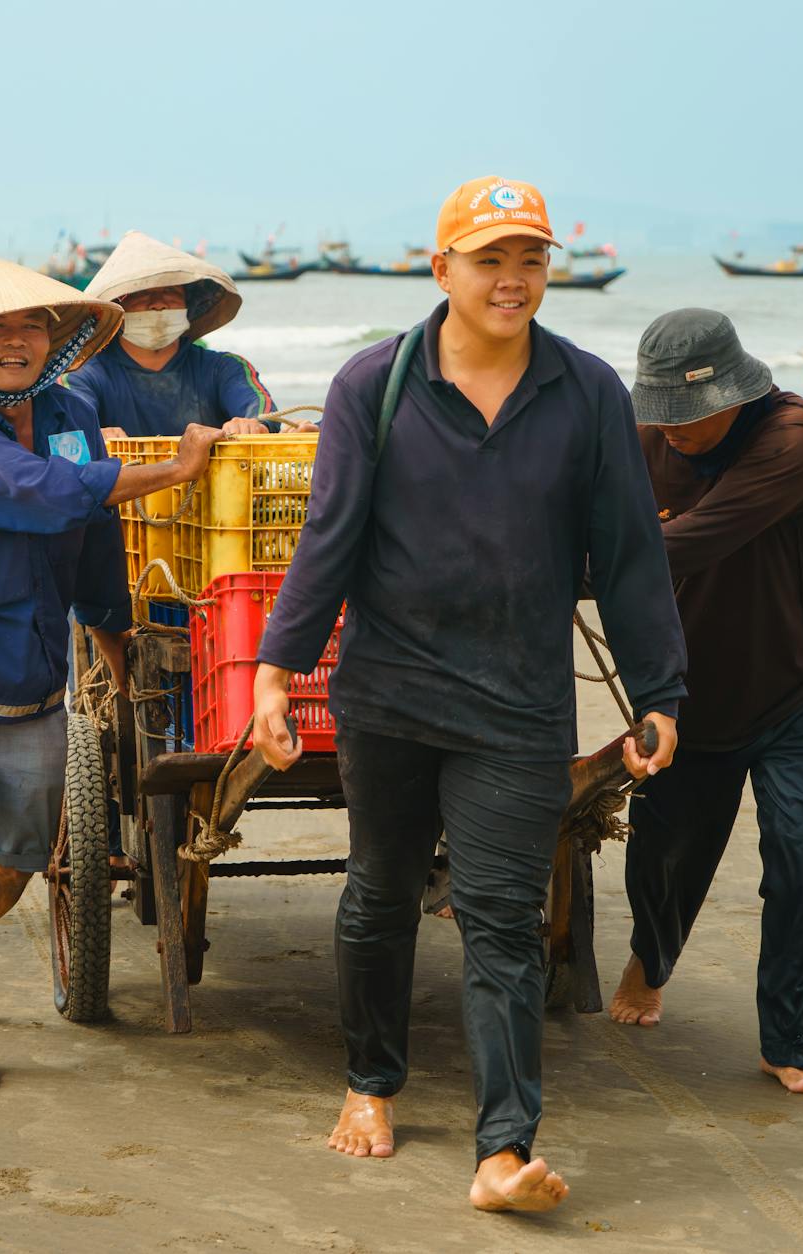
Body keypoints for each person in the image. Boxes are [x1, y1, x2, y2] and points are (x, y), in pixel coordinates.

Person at [249, 177, 686, 1213]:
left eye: (528, 259)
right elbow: (331, 536)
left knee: (500, 919)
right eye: (488, 259)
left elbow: (627, 559)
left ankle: (501, 1152)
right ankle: (369, 1080)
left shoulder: (584, 394)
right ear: (438, 268)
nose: (511, 279)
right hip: (389, 695)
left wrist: (657, 692)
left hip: (517, 705)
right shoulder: (376, 385)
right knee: (380, 895)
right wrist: (277, 668)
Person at [0, 260, 228, 1089]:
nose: (16, 340)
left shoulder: (74, 413)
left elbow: (91, 532)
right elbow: (35, 492)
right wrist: (174, 470)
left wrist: (116, 645)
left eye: (32, 326)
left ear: (56, 338)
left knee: (21, 861)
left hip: (32, 677)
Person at [613, 308, 803, 1099]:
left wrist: (593, 558)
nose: (673, 431)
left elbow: (692, 540)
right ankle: (650, 961)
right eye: (662, 413)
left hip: (800, 689)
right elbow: (592, 513)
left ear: (734, 392)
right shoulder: (649, 437)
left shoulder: (795, 440)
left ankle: (789, 1041)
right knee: (662, 856)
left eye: (689, 414)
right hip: (689, 691)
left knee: (799, 858)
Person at [71, 231, 294, 442]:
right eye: (142, 293)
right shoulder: (84, 374)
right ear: (117, 307)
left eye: (170, 292)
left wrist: (252, 424)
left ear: (189, 304)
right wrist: (94, 434)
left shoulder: (223, 368)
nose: (158, 303)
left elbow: (262, 412)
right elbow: (69, 423)